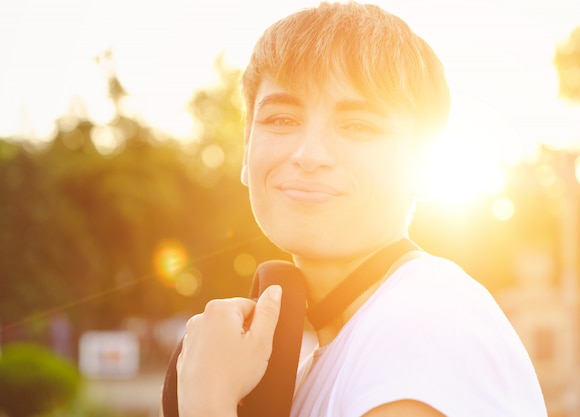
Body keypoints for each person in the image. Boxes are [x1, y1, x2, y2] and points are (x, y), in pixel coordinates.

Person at [176, 2, 548, 416]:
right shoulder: (335, 349)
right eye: (282, 119)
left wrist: (206, 399)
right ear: (246, 150)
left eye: (358, 126)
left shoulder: (424, 324)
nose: (308, 154)